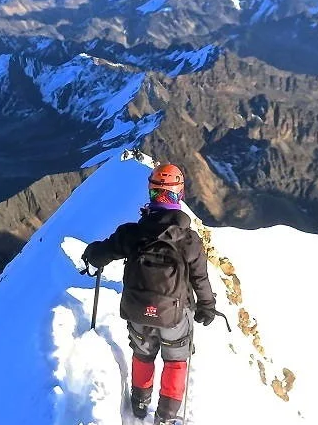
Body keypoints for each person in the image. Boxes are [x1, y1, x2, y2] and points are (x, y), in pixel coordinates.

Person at [82, 163, 217, 425]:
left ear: (151, 193)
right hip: (175, 315)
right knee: (176, 361)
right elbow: (200, 278)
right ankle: (166, 417)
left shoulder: (132, 233)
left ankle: (140, 404)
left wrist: (92, 254)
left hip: (138, 310)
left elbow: (103, 252)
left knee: (143, 354)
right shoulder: (188, 240)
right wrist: (206, 307)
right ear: (180, 194)